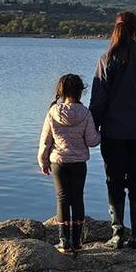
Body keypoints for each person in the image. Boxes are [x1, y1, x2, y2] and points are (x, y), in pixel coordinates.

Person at [89, 11, 136, 249]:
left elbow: (98, 101)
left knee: (114, 180)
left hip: (113, 132)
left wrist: (93, 130)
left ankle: (117, 233)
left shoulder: (106, 59)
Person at [37, 73, 100, 255]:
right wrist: (101, 133)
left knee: (62, 199)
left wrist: (43, 161)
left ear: (60, 91)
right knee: (78, 198)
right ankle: (78, 242)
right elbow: (92, 141)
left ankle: (64, 243)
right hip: (79, 162)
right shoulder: (86, 113)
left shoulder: (52, 112)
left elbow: (45, 141)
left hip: (58, 162)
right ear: (81, 91)